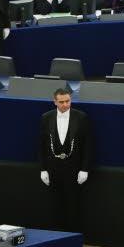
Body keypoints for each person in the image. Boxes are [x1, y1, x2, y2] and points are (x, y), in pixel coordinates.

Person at [39, 88, 93, 232]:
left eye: (67, 101)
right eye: (61, 102)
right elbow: (41, 145)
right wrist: (43, 169)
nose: (65, 104)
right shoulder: (46, 117)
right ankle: (55, 238)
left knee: (73, 206)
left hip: (74, 170)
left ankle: (72, 238)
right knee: (54, 205)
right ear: (55, 102)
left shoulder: (81, 117)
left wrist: (84, 169)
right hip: (53, 169)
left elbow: (88, 145)